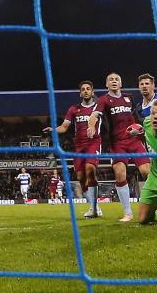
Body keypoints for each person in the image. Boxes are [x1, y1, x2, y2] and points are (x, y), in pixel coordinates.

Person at [87, 72, 150, 222]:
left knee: (147, 172)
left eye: (117, 79)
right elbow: (94, 115)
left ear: (121, 84)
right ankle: (128, 213)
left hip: (134, 140)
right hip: (117, 143)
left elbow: (137, 117)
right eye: (111, 80)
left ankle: (153, 206)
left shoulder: (129, 98)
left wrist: (139, 129)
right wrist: (91, 127)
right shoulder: (103, 100)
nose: (114, 81)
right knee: (120, 173)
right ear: (107, 84)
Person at [44, 80, 102, 217]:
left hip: (94, 142)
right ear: (80, 93)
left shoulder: (99, 107)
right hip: (79, 146)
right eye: (83, 89)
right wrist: (53, 129)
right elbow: (64, 127)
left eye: (88, 88)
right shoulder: (74, 109)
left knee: (90, 169)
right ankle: (94, 207)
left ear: (92, 92)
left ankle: (94, 207)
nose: (86, 91)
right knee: (81, 177)